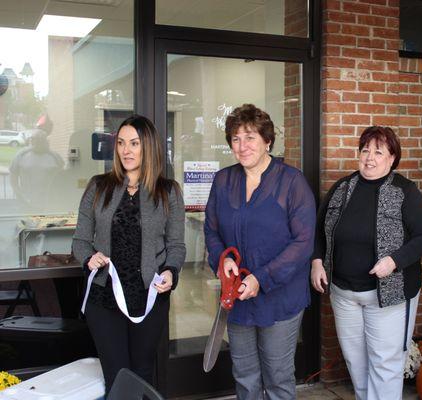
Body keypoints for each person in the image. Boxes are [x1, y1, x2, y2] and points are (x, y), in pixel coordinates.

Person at [311, 126, 422, 400]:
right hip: (344, 295)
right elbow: (320, 229)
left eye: (378, 151)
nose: (370, 157)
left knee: (385, 364)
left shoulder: (405, 191)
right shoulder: (342, 188)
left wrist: (394, 260)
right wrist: (317, 261)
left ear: (392, 158)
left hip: (389, 296)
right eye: (365, 149)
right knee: (357, 363)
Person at [204, 104, 316, 399]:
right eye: (236, 139)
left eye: (250, 137)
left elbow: (303, 243)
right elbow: (211, 230)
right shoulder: (223, 180)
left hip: (280, 298)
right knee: (244, 376)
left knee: (278, 378)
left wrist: (261, 279)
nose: (243, 146)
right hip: (238, 298)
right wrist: (222, 258)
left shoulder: (292, 182)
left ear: (267, 141)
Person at [72, 115, 185, 393]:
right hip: (105, 299)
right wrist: (89, 258)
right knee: (117, 375)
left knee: (143, 372)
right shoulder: (98, 187)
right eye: (121, 143)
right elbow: (80, 242)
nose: (126, 150)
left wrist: (171, 270)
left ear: (148, 147)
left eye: (134, 143)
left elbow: (176, 246)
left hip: (149, 298)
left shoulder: (168, 192)